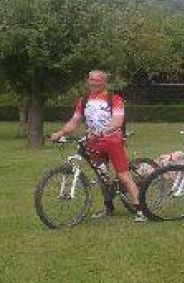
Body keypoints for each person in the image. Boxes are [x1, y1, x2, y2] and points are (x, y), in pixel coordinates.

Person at [50, 70, 146, 222]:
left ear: (104, 82)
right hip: (94, 143)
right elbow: (74, 121)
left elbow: (117, 122)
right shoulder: (84, 100)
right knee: (101, 176)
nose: (93, 83)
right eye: (91, 79)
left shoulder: (114, 99)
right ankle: (108, 207)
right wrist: (60, 132)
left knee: (123, 176)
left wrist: (102, 132)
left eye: (97, 80)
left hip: (113, 142)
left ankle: (140, 210)